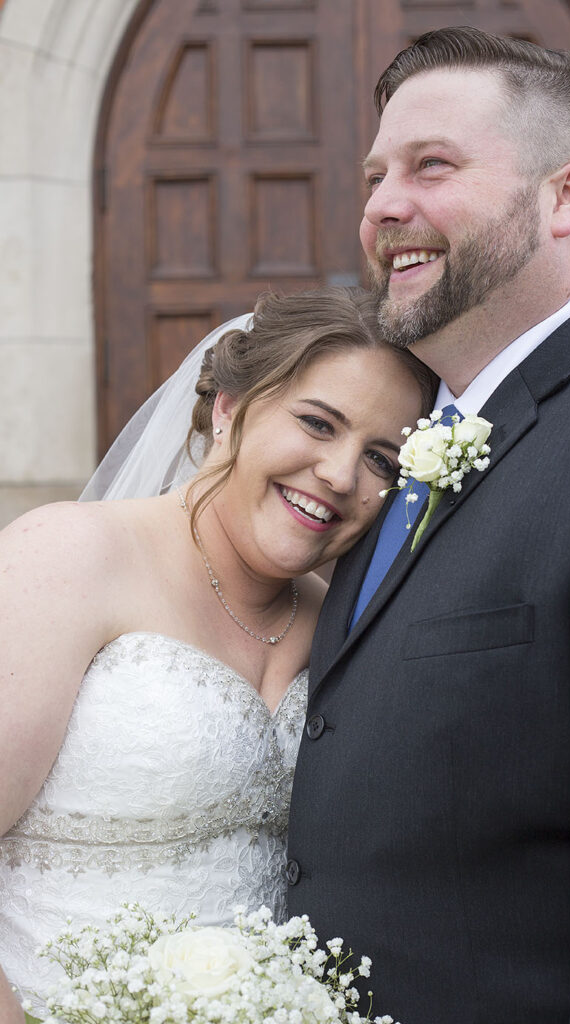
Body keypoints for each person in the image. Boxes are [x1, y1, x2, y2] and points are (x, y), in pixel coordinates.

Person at [287, 27, 570, 1023]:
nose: (382, 206)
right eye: (377, 175)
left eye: (432, 166)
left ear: (564, 196)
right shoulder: (415, 441)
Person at [0, 286, 436, 1020]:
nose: (338, 474)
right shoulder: (69, 557)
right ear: (229, 407)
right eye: (316, 423)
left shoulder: (344, 621)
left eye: (381, 461)